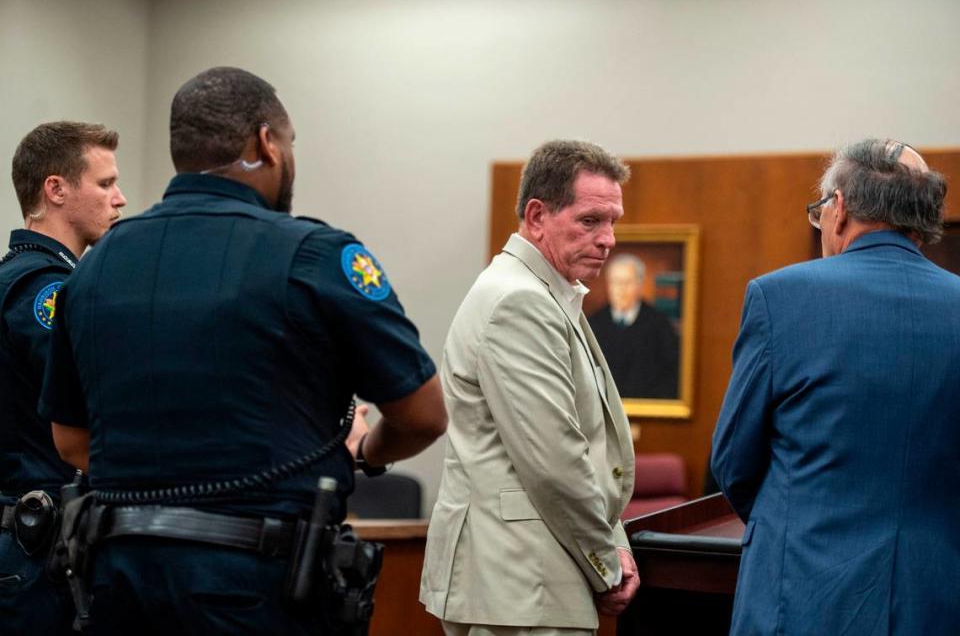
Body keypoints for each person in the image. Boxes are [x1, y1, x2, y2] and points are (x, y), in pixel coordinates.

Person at [37, 67, 447, 635]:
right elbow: (423, 415)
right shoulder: (314, 255)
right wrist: (363, 452)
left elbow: (71, 439)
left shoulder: (93, 270)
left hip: (119, 584)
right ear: (266, 143)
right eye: (290, 143)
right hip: (258, 588)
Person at [711, 139, 960, 635]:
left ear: (838, 208)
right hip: (934, 594)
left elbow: (732, 460)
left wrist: (796, 517)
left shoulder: (779, 297)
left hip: (802, 591)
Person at [421, 139, 640, 636]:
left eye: (613, 223)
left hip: (522, 582)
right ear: (537, 216)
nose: (608, 239)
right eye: (590, 221)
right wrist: (607, 560)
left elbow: (586, 448)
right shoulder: (520, 301)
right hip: (521, 582)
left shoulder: (542, 293)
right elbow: (556, 464)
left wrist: (615, 540)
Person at [0, 121, 126, 635]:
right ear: (56, 189)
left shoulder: (16, 277)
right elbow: (101, 398)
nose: (120, 199)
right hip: (34, 547)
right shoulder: (44, 291)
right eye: (104, 183)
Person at [587, 253, 679, 398]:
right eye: (616, 282)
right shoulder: (593, 324)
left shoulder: (659, 325)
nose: (621, 289)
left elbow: (672, 376)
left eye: (627, 282)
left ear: (640, 286)